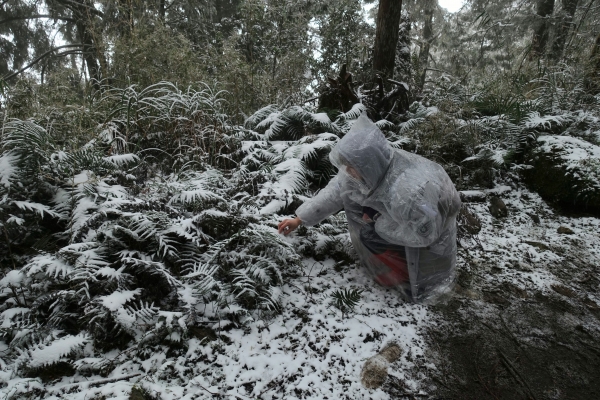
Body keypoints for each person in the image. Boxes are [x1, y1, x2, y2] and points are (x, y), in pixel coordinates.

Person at [278, 115, 461, 303]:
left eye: (351, 166)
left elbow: (425, 233)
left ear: (368, 163)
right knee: (367, 228)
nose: (347, 171)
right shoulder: (370, 171)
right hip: (406, 227)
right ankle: (393, 267)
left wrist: (377, 222)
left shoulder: (405, 188)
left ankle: (405, 278)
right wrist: (300, 219)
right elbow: (334, 193)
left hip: (428, 253)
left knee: (369, 233)